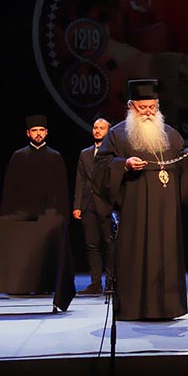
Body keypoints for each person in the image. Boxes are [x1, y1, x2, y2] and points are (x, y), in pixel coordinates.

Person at [93, 79, 188, 321]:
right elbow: (100, 167)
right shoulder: (117, 134)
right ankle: (134, 307)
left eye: (152, 107)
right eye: (142, 108)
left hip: (166, 210)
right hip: (135, 208)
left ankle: (167, 308)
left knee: (166, 253)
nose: (148, 113)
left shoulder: (170, 134)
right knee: (136, 254)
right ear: (131, 106)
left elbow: (179, 162)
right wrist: (124, 164)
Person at [1, 115, 70, 222]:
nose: (38, 133)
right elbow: (9, 188)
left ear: (46, 132)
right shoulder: (18, 156)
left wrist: (63, 217)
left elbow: (62, 190)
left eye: (41, 130)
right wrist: (6, 216)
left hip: (49, 215)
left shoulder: (55, 156)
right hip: (22, 213)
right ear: (28, 133)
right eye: (34, 130)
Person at [73, 117, 113, 295]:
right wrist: (77, 205)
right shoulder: (85, 154)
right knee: (91, 245)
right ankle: (95, 284)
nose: (97, 130)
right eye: (95, 127)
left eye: (101, 128)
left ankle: (111, 283)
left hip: (106, 205)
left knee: (109, 245)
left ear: (108, 131)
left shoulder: (114, 153)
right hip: (88, 205)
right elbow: (80, 181)